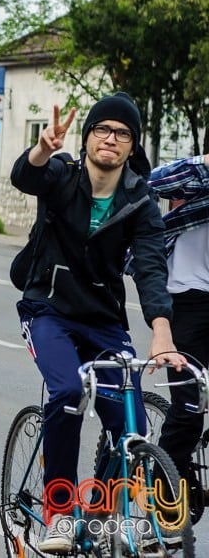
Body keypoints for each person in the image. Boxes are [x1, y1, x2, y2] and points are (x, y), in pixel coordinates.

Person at [11, 94, 186, 554]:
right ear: (88, 137)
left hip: (104, 320)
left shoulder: (141, 199)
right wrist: (41, 149)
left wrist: (162, 333)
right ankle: (59, 513)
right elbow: (25, 176)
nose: (111, 138)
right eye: (102, 129)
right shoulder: (61, 174)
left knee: (128, 420)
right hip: (47, 310)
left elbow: (150, 268)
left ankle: (119, 517)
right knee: (68, 394)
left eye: (122, 133)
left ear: (133, 147)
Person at [148, 153, 209, 493]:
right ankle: (164, 491)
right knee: (188, 410)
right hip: (186, 301)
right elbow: (151, 180)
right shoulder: (192, 179)